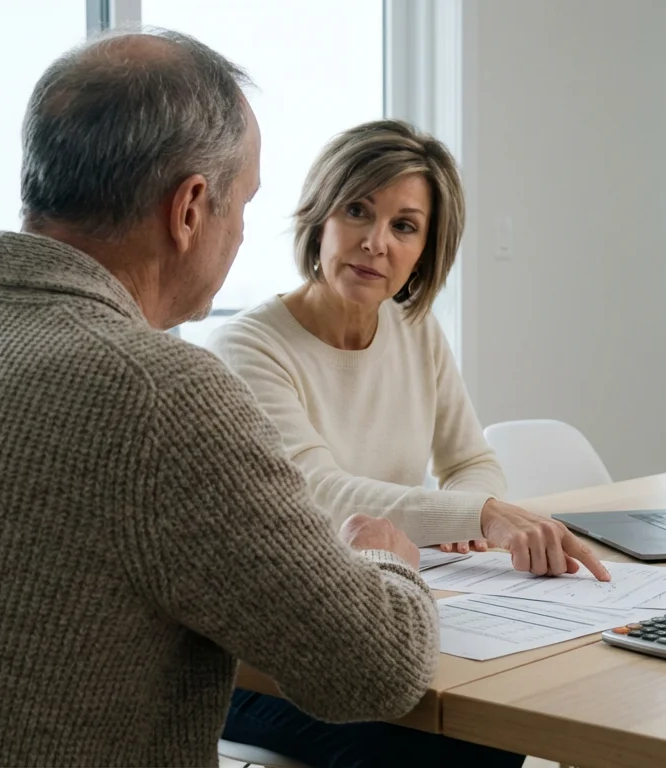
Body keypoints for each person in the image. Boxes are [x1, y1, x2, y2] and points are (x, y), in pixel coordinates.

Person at [0, 29, 440, 768]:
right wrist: (385, 560)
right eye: (244, 202)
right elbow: (375, 669)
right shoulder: (159, 395)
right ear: (190, 207)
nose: (242, 232)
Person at [207, 120, 607, 766]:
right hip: (257, 661)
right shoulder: (249, 347)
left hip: (374, 620)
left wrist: (467, 513)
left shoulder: (415, 332)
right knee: (450, 747)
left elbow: (470, 460)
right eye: (357, 210)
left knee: (507, 722)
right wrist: (476, 515)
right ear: (320, 217)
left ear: (428, 247)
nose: (374, 244)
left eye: (404, 225)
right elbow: (320, 492)